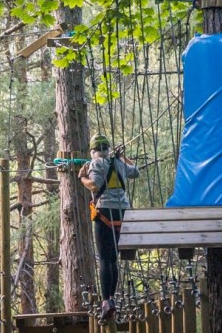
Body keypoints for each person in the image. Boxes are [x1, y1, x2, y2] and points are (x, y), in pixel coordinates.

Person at [79, 133, 139, 323]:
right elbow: (136, 171)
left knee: (105, 259)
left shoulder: (96, 164)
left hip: (105, 213)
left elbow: (95, 186)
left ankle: (106, 301)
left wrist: (81, 177)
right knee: (113, 259)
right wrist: (122, 157)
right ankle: (111, 299)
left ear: (93, 151)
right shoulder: (119, 163)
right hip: (123, 214)